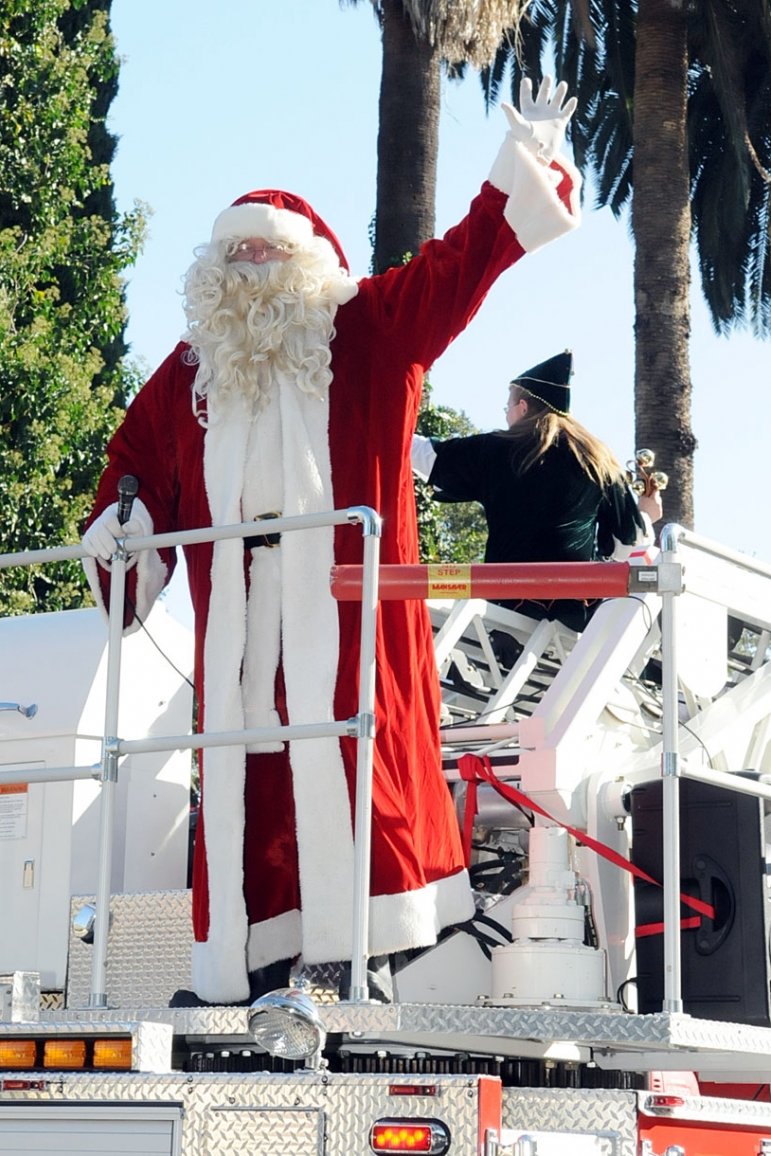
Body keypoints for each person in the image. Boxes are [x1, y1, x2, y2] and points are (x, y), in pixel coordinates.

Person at [81, 78, 583, 1006]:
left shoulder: (367, 327)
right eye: (233, 258)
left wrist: (521, 169)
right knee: (250, 790)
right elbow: (132, 478)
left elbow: (459, 266)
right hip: (238, 622)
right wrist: (124, 532)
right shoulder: (190, 374)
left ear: (307, 263)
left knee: (358, 776)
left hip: (346, 611)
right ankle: (242, 970)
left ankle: (356, 954)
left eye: (266, 254)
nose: (250, 271)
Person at [412, 350, 663, 632]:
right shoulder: (599, 459)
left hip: (504, 609)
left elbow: (425, 456)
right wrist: (645, 515)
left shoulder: (495, 449)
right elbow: (627, 546)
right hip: (573, 618)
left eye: (507, 407)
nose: (506, 415)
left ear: (522, 406)